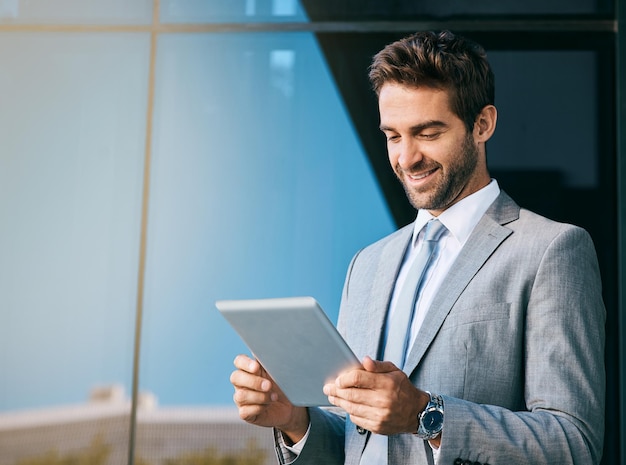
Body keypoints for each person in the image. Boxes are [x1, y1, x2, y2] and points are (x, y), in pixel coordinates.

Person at [229, 30, 606, 465]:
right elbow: (360, 442)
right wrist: (295, 419)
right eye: (393, 136)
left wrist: (426, 414)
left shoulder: (551, 251)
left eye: (428, 133)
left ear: (482, 124)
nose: (407, 158)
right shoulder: (367, 265)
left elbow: (574, 443)